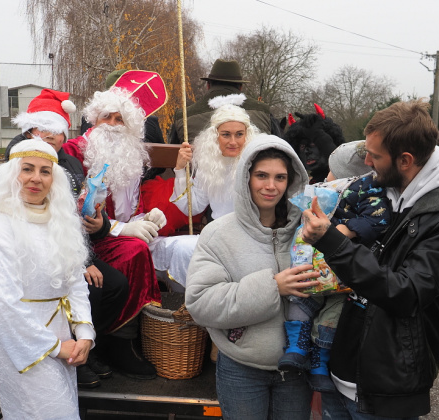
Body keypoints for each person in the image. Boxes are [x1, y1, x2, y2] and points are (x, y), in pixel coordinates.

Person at [300, 100, 439, 419]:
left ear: (406, 160)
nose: (366, 161)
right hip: (341, 374)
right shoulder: (388, 190)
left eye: (375, 156)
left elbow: (406, 292)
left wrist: (332, 240)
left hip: (384, 392)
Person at [0, 139, 94, 419]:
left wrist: (84, 333)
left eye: (45, 171)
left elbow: (74, 280)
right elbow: (1, 304)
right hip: (22, 345)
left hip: (63, 341)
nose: (36, 178)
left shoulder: (61, 222)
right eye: (28, 169)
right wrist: (55, 347)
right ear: (12, 174)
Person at [185, 134, 320, 419]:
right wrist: (273, 287)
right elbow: (201, 303)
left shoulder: (309, 231)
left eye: (280, 177)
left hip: (297, 371)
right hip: (242, 370)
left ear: (292, 181)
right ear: (246, 177)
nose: (271, 186)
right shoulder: (219, 235)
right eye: (261, 175)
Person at [7, 89, 129, 388]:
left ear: (64, 134)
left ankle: (90, 346)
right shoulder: (18, 161)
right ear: (30, 129)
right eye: (42, 128)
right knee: (92, 286)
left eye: (57, 129)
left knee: (116, 286)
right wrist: (83, 262)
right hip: (36, 251)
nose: (50, 135)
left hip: (73, 246)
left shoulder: (71, 165)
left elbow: (77, 212)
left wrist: (98, 223)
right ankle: (70, 354)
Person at [62, 70, 168, 380]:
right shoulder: (75, 151)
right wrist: (121, 230)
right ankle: (117, 342)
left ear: (130, 126)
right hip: (82, 242)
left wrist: (147, 217)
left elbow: (131, 208)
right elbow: (73, 210)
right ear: (94, 120)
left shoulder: (132, 157)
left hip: (110, 237)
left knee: (143, 246)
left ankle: (121, 340)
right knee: (135, 251)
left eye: (120, 119)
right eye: (106, 117)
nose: (112, 125)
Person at [279, 140, 390, 394]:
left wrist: (344, 230)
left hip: (340, 267)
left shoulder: (366, 188)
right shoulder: (323, 188)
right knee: (301, 296)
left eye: (332, 170)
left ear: (344, 174)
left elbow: (379, 217)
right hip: (315, 259)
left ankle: (319, 361)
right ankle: (296, 347)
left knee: (334, 311)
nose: (326, 175)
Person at [150, 102, 259, 289]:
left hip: (250, 240)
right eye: (226, 134)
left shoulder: (258, 164)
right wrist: (180, 170)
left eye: (239, 134)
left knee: (185, 250)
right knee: (165, 247)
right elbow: (192, 207)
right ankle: (188, 305)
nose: (233, 141)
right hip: (218, 238)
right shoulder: (210, 165)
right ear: (215, 137)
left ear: (247, 136)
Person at [168, 59, 281, 144]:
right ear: (240, 87)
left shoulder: (184, 116)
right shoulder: (264, 112)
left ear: (208, 85)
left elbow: (174, 158)